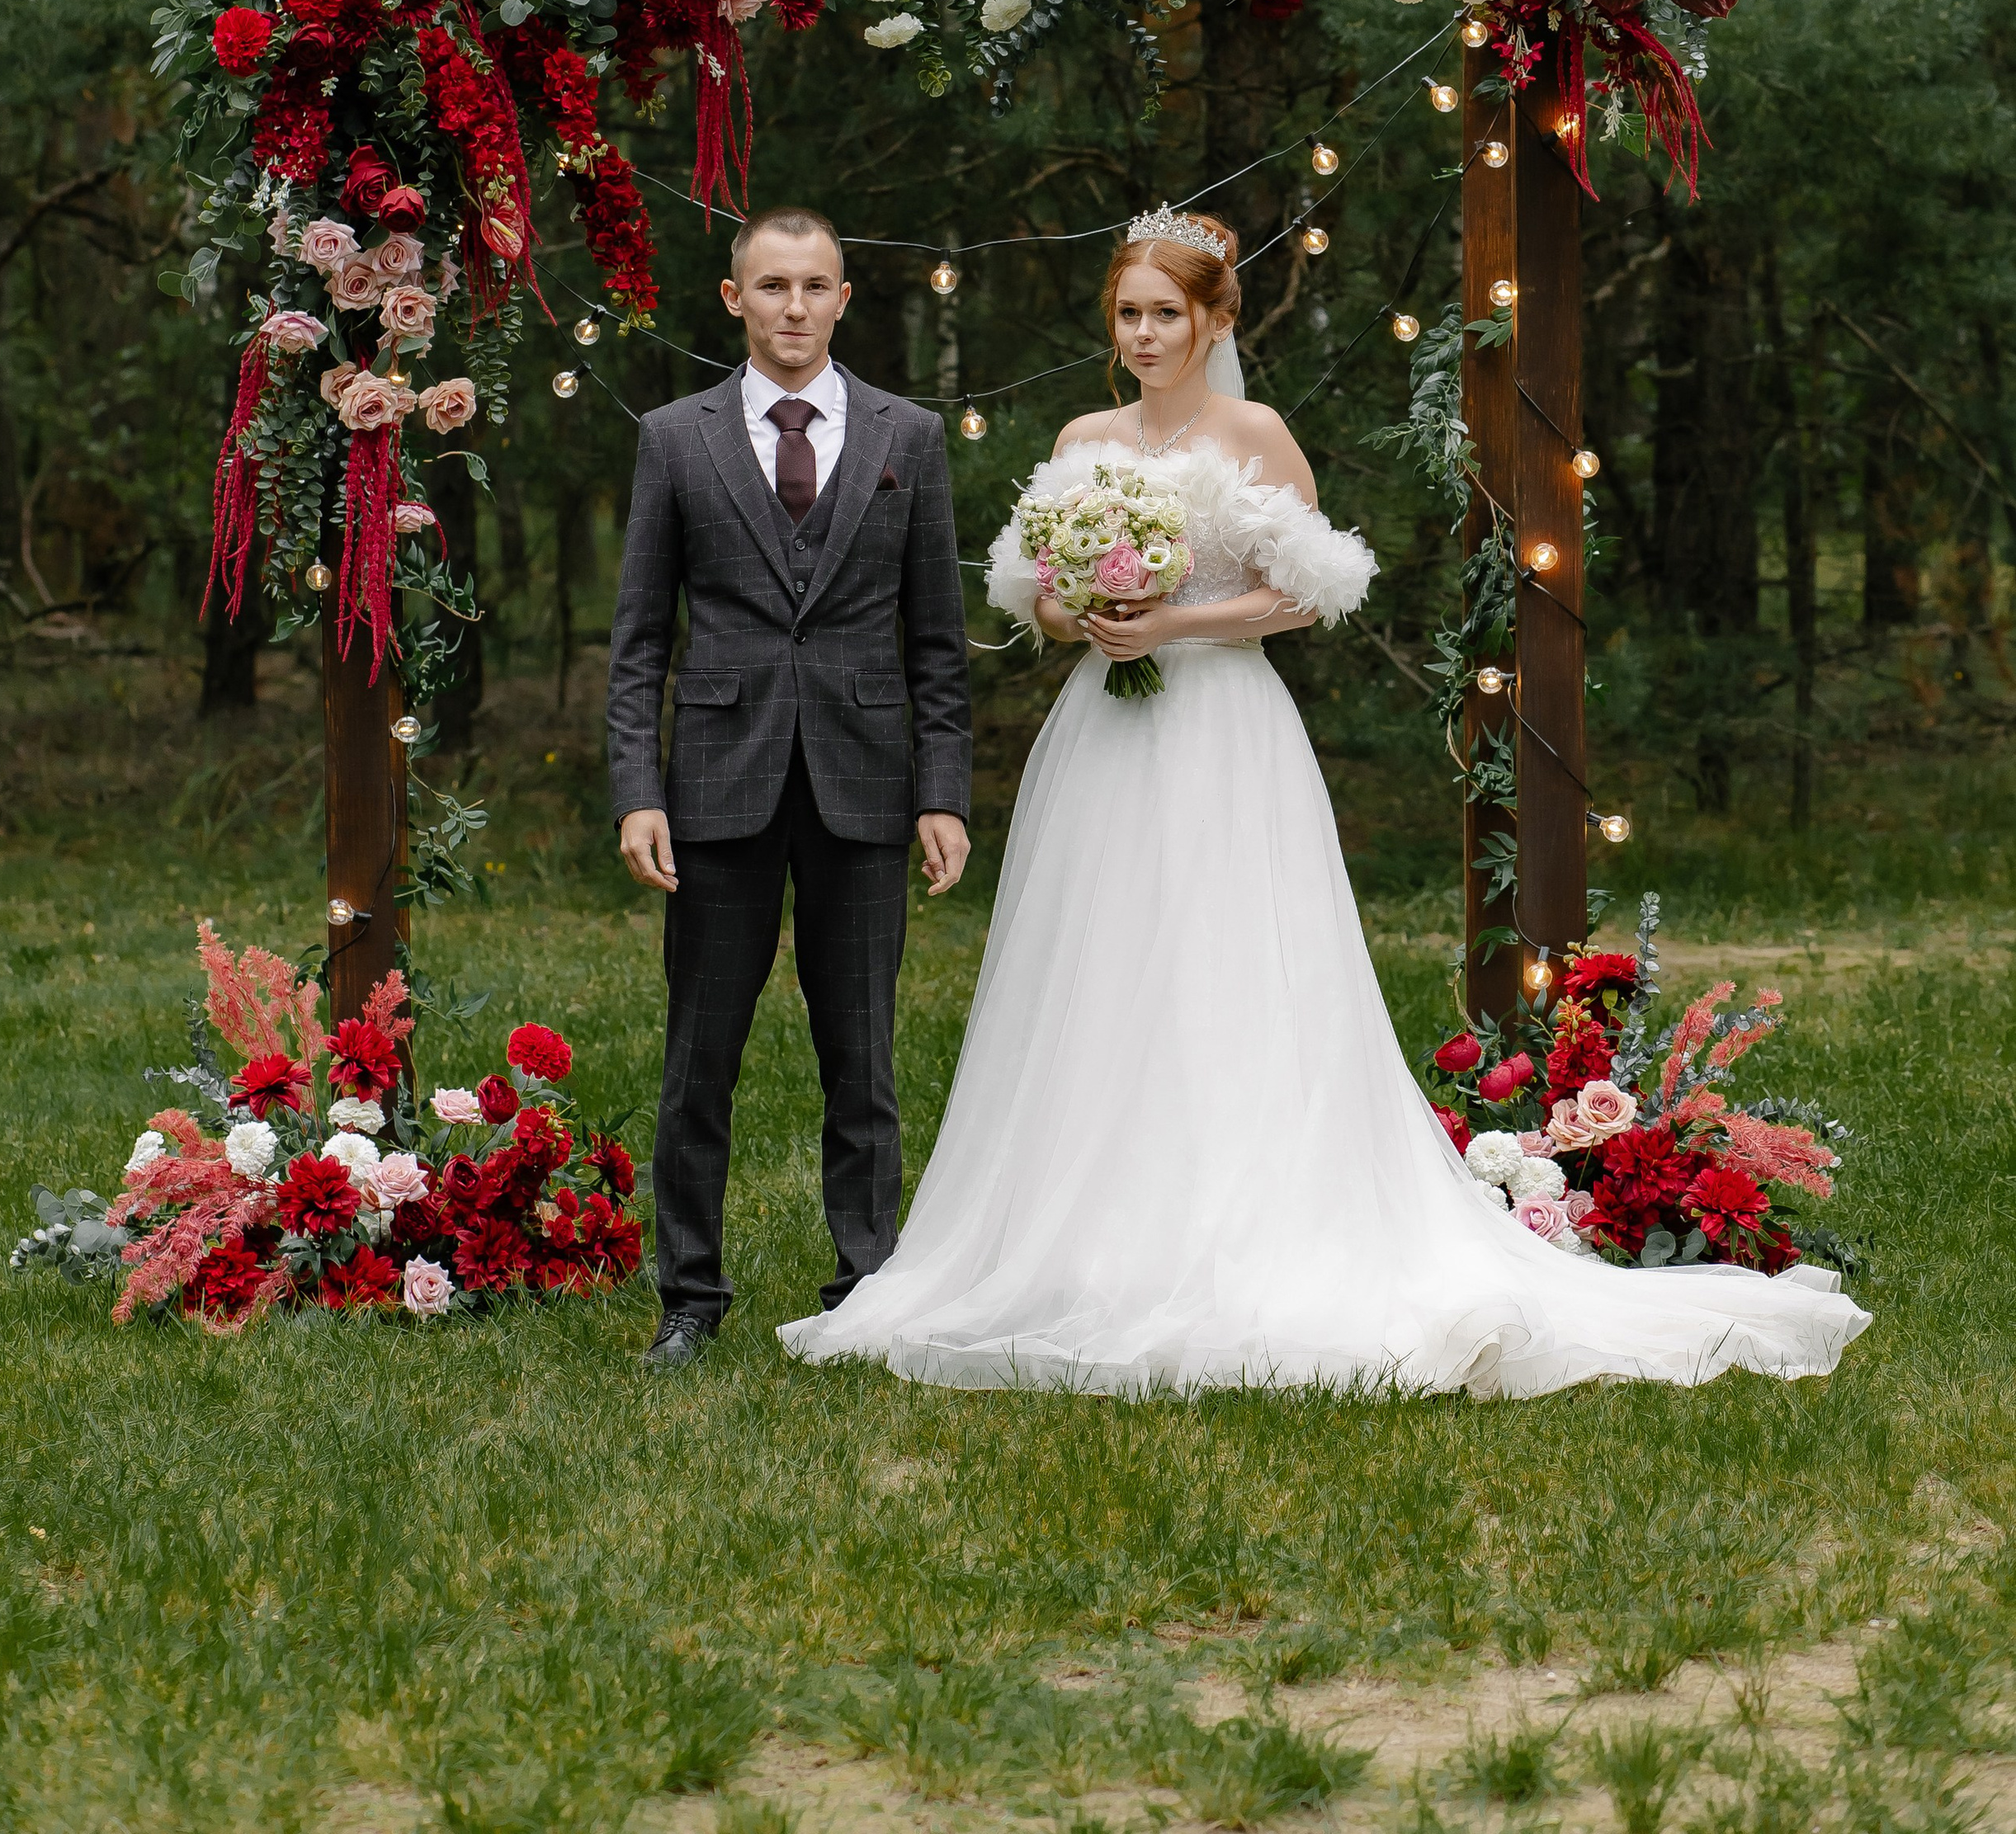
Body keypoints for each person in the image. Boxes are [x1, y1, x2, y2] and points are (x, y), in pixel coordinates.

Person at [779, 208, 1870, 1399]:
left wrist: (1175, 620)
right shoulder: (1085, 434)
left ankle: (1246, 1224)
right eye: (1128, 313)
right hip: (1101, 737)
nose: (1144, 334)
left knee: (1227, 964)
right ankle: (1086, 1235)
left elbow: (1307, 592)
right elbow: (1035, 589)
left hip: (1222, 733)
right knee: (1097, 968)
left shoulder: (1256, 433)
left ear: (1214, 317)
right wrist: (1080, 609)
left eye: (1166, 313)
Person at [608, 206, 973, 1370]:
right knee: (699, 1055)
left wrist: (945, 791)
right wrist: (636, 789)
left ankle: (866, 1281)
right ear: (734, 299)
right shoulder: (676, 438)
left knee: (862, 1053)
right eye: (773, 286)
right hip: (717, 783)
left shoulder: (907, 437)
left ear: (846, 296)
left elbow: (938, 643)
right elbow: (638, 640)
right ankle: (690, 1295)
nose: (796, 306)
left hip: (866, 786)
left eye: (817, 285)